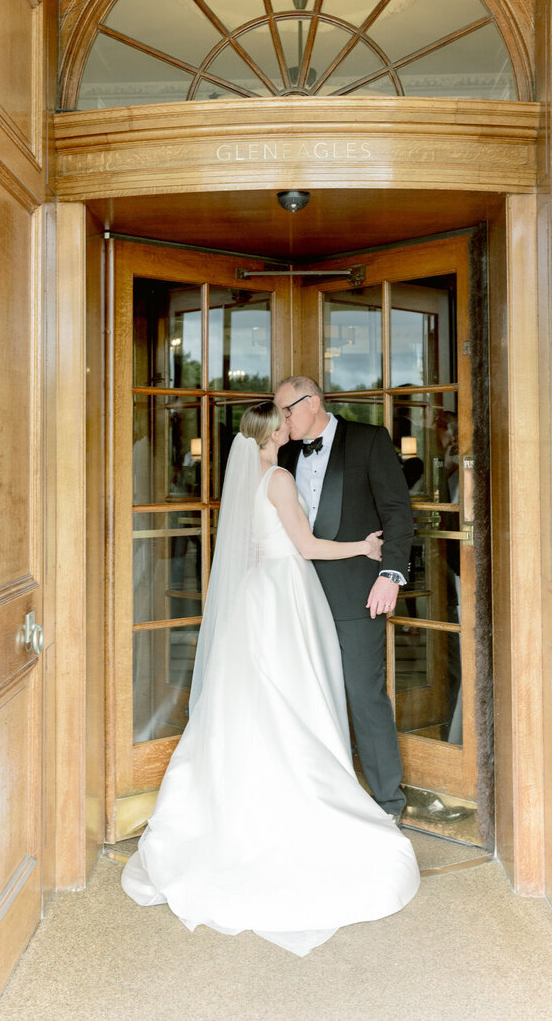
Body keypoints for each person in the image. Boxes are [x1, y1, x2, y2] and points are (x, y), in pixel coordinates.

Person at [121, 402, 420, 955]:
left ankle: (246, 789)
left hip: (260, 598)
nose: (290, 424)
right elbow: (304, 547)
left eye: (291, 412)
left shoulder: (252, 479)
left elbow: (260, 544)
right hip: (287, 596)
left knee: (258, 698)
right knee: (295, 695)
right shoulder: (279, 478)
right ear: (271, 433)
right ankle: (297, 789)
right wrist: (362, 546)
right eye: (281, 420)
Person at [274, 376, 415, 823]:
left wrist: (390, 574)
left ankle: (388, 802)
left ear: (312, 403)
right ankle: (319, 794)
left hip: (358, 589)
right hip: (296, 591)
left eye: (287, 410)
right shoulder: (284, 453)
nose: (283, 420)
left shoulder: (369, 440)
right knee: (305, 693)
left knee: (362, 691)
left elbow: (397, 511)